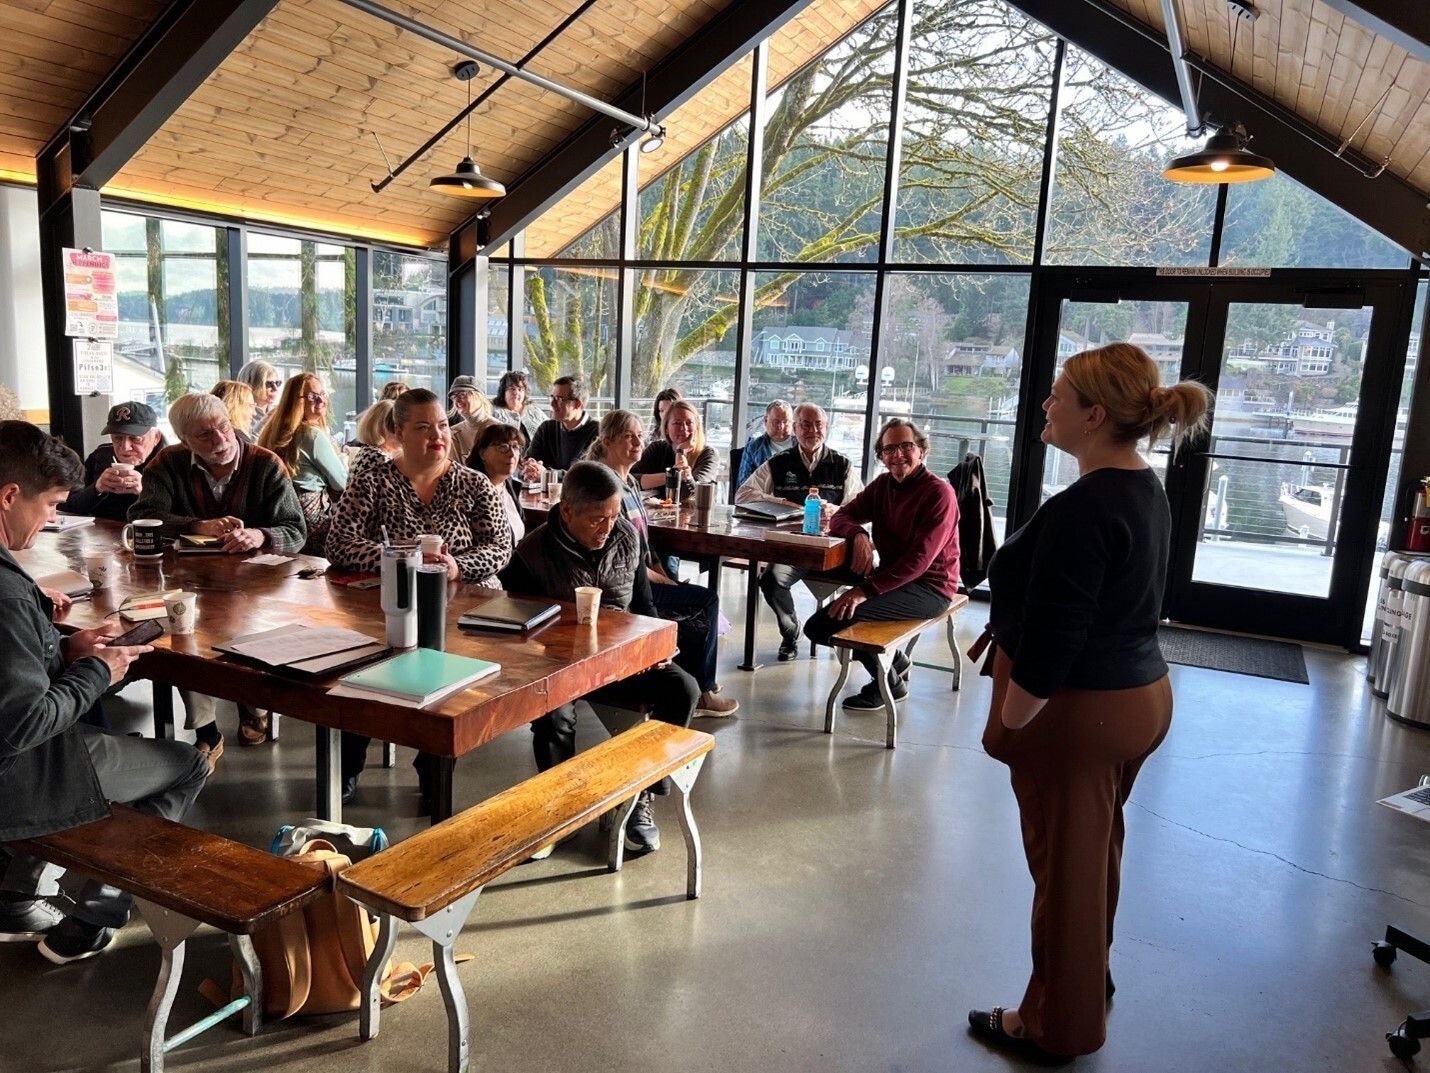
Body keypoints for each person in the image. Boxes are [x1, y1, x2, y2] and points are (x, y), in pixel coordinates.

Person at [968, 344, 1210, 1062]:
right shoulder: (1142, 486)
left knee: (1065, 876)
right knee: (1089, 854)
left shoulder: (1085, 506)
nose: (1045, 404)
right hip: (1137, 696)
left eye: (1057, 394)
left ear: (1095, 414)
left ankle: (1053, 1024)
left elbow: (1057, 630)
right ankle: (1086, 975)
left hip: (1079, 713)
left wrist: (1012, 717)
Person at [0, 420, 208, 963]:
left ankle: (15, 896)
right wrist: (100, 670)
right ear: (9, 497)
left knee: (111, 736)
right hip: (19, 776)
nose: (51, 519)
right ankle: (95, 916)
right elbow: (21, 724)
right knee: (188, 763)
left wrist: (64, 653)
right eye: (51, 506)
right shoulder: (5, 591)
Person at [502, 461, 699, 855]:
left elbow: (644, 605)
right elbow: (520, 634)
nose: (607, 527)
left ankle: (642, 794)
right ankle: (559, 809)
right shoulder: (530, 554)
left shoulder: (625, 535)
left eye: (612, 516)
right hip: (557, 662)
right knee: (554, 715)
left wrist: (657, 645)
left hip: (622, 658)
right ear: (567, 511)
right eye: (597, 519)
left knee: (684, 688)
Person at [325, 388, 511, 805]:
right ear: (398, 432)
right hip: (385, 607)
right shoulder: (374, 480)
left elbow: (502, 545)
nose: (437, 436)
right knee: (366, 670)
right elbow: (338, 543)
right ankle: (349, 767)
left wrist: (456, 566)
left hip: (462, 610)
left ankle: (434, 770)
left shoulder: (473, 483)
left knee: (446, 680)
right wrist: (401, 558)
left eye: (442, 425)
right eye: (423, 427)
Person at [131, 393, 306, 761]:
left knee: (247, 633)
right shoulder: (168, 463)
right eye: (205, 435)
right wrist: (196, 524)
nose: (221, 441)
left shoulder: (265, 465)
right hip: (192, 580)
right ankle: (208, 730)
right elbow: (144, 513)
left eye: (224, 428)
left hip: (257, 587)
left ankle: (253, 707)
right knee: (184, 637)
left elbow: (296, 528)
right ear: (184, 440)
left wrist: (262, 534)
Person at [803, 418, 960, 711]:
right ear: (882, 456)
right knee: (818, 626)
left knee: (834, 619)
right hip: (892, 577)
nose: (897, 455)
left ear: (922, 451)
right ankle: (897, 661)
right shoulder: (883, 485)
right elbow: (840, 517)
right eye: (889, 449)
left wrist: (865, 590)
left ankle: (889, 684)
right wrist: (859, 533)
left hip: (931, 588)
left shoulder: (939, 493)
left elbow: (919, 560)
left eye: (906, 446)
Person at [589, 410, 737, 716]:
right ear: (607, 441)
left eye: (640, 435)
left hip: (645, 577)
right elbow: (615, 553)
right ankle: (705, 692)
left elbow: (644, 544)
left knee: (693, 603)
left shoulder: (628, 481)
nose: (637, 442)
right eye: (628, 436)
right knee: (706, 600)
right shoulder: (604, 485)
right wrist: (658, 579)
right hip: (627, 588)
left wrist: (660, 571)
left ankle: (694, 682)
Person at [736, 403, 863, 661]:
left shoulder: (842, 464)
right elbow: (743, 494)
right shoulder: (779, 463)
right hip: (793, 550)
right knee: (770, 580)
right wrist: (785, 504)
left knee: (869, 580)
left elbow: (861, 506)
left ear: (826, 428)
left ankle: (861, 647)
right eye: (805, 424)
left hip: (836, 551)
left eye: (818, 424)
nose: (812, 430)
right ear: (795, 429)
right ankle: (791, 631)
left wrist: (837, 510)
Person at [257, 372, 348, 555]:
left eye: (323, 394)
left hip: (277, 517)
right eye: (313, 396)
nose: (321, 400)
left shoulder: (272, 432)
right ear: (296, 401)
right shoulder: (312, 436)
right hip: (311, 521)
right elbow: (344, 483)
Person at [61, 401, 166, 521]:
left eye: (135, 439)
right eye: (117, 438)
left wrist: (146, 492)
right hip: (100, 536)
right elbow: (64, 506)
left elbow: (183, 518)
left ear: (156, 438)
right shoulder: (100, 456)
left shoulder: (171, 463)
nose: (125, 447)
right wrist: (96, 489)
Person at [631, 399, 718, 492]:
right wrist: (669, 476)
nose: (684, 428)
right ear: (666, 428)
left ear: (697, 426)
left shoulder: (708, 454)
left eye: (689, 423)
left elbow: (689, 493)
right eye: (677, 423)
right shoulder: (657, 448)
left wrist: (680, 451)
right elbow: (629, 480)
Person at [522, 375, 599, 478]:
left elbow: (589, 476)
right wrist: (531, 468)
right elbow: (530, 461)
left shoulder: (598, 432)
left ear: (577, 404)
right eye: (552, 397)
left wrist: (548, 474)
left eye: (559, 399)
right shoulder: (546, 429)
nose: (552, 404)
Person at [467, 420, 525, 550]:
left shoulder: (510, 486)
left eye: (515, 447)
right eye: (503, 447)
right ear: (482, 454)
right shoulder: (470, 490)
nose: (511, 454)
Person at [736, 399, 795, 487]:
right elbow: (744, 482)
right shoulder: (754, 446)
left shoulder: (802, 445)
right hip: (763, 497)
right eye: (776, 422)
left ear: (792, 423)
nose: (781, 427)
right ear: (765, 421)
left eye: (786, 422)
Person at [490, 369, 546, 447]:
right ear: (503, 391)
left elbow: (552, 430)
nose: (516, 393)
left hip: (537, 457)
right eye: (512, 388)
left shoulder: (535, 411)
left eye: (520, 389)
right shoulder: (494, 411)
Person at [348, 399, 400, 483]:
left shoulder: (366, 452)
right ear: (379, 428)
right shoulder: (380, 459)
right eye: (395, 428)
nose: (401, 434)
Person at [445, 375, 492, 463]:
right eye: (454, 397)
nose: (457, 401)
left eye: (462, 394)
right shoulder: (452, 433)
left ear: (479, 397)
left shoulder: (499, 430)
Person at [236, 360, 282, 437]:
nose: (275, 388)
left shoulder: (277, 412)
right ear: (251, 385)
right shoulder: (239, 418)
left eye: (277, 383)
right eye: (269, 384)